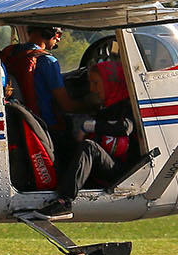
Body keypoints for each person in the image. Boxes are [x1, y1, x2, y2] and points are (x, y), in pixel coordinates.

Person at [43, 59, 134, 216]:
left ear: (109, 83)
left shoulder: (127, 105)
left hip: (120, 170)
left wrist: (89, 126)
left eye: (96, 83)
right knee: (61, 140)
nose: (92, 89)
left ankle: (64, 201)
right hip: (103, 164)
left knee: (88, 148)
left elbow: (125, 128)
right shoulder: (105, 106)